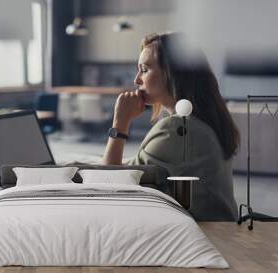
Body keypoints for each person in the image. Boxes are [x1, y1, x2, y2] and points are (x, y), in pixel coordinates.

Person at [102, 32, 240, 221]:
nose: (136, 80)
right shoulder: (202, 119)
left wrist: (120, 123)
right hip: (219, 228)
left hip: (202, 236)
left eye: (144, 69)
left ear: (172, 73)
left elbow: (109, 181)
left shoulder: (178, 129)